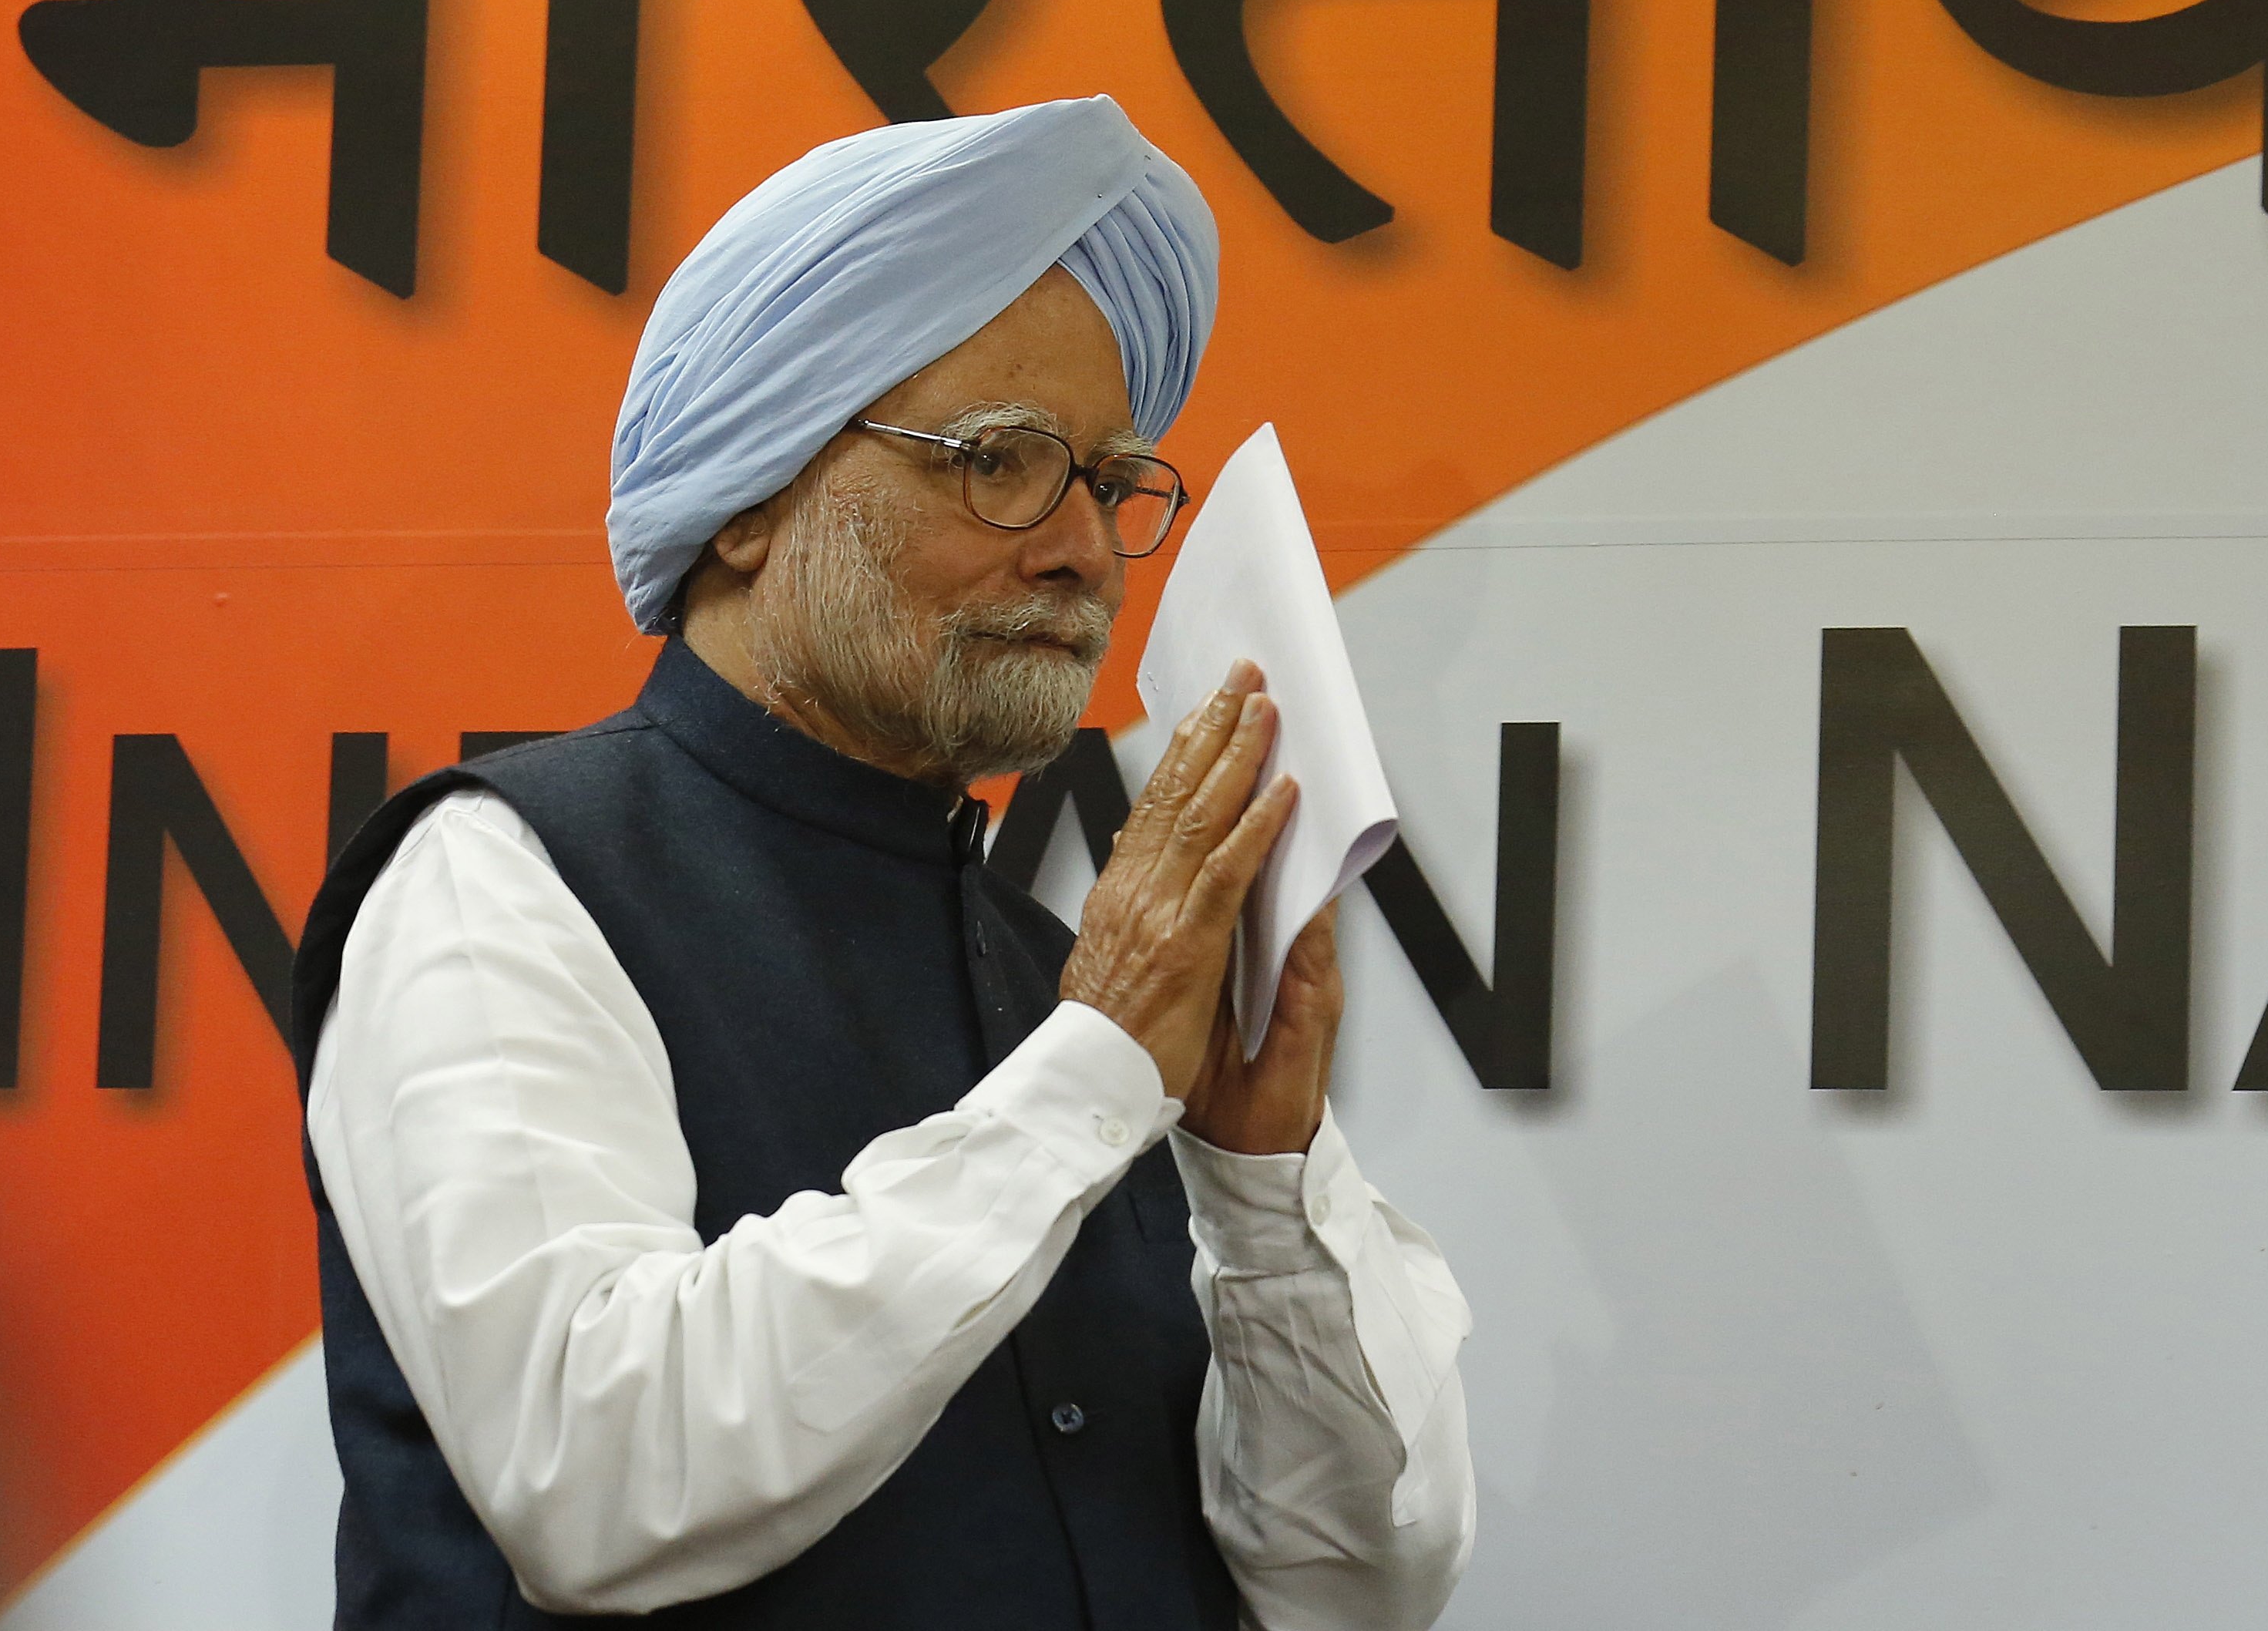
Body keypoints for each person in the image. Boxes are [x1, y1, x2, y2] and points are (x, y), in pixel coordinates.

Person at [293, 96, 1473, 1628]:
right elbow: (599, 1483)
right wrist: (1091, 1076)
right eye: (998, 462)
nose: (1082, 553)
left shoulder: (1062, 984)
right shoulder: (500, 880)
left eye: (1108, 482)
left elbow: (1349, 1587)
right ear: (748, 500)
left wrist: (1259, 1178)